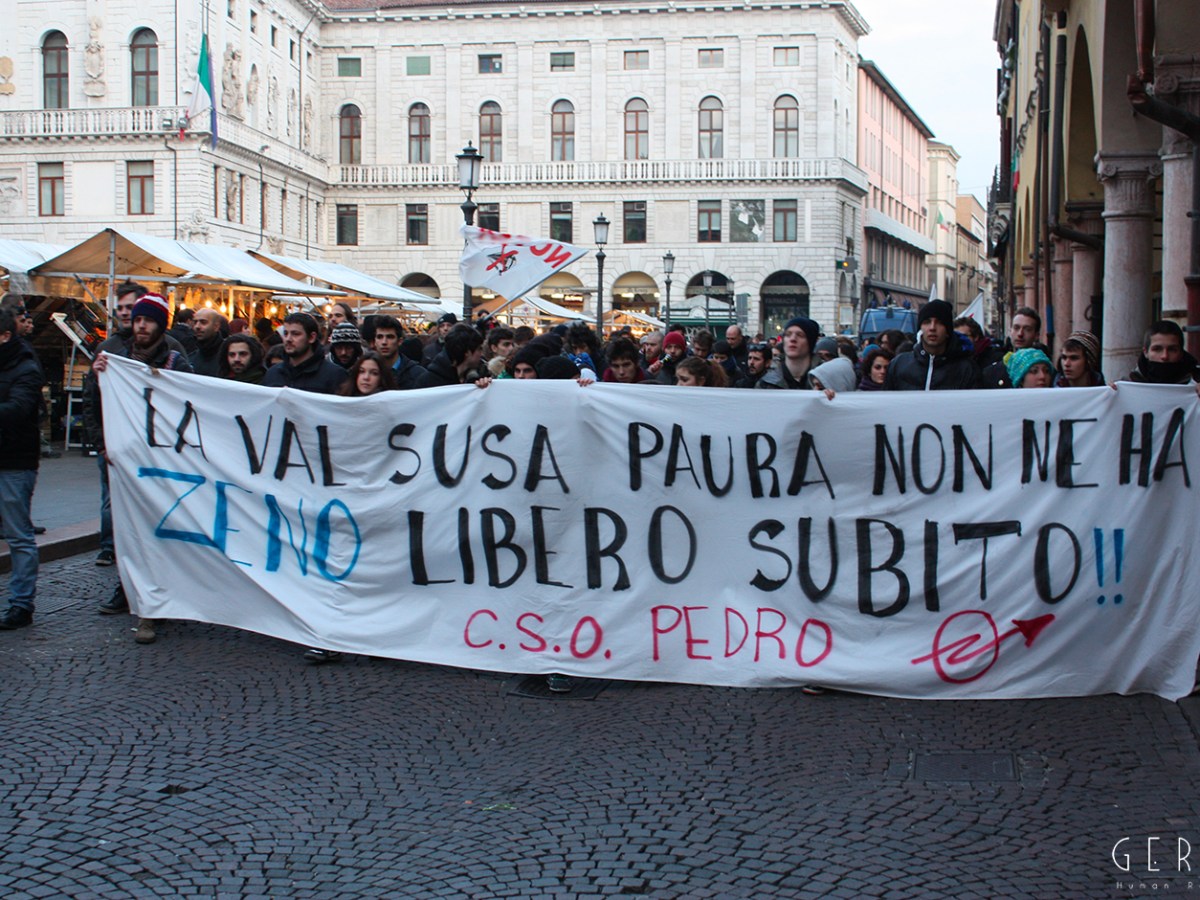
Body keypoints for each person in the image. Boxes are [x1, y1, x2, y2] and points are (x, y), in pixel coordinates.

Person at [92, 293, 193, 643]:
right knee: (129, 530)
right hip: (125, 460)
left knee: (161, 532)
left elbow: (194, 402)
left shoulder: (176, 360)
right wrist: (102, 443)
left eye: (148, 320)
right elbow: (95, 402)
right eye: (137, 320)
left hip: (164, 464)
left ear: (160, 324)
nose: (141, 326)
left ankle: (160, 601)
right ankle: (133, 594)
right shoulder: (114, 357)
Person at [0, 307, 46, 630]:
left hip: (15, 462)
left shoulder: (26, 366)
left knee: (18, 535)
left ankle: (21, 604)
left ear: (4, 336)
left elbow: (18, 410)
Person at [884, 300, 981, 391]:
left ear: (948, 331)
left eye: (939, 323)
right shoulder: (899, 365)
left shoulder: (966, 369)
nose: (932, 328)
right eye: (927, 322)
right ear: (920, 328)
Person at [263, 313, 348, 393]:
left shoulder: (334, 375)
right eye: (286, 333)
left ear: (311, 337)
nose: (288, 339)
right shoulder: (273, 374)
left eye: (295, 334)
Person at [1124, 320, 1200, 385]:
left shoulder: (1196, 382)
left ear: (1181, 353)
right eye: (1157, 349)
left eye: (1172, 349)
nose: (1165, 356)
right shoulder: (1128, 385)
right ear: (1146, 352)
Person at [757, 316, 820, 389]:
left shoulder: (825, 379)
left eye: (800, 335)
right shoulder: (766, 383)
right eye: (788, 334)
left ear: (810, 342)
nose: (792, 339)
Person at [372, 314, 427, 389]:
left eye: (390, 337)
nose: (384, 342)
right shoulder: (367, 372)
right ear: (375, 341)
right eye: (379, 337)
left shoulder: (417, 374)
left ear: (400, 341)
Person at [188, 308, 229, 377]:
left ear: (216, 326)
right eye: (195, 322)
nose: (197, 327)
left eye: (203, 322)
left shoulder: (230, 355)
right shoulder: (191, 358)